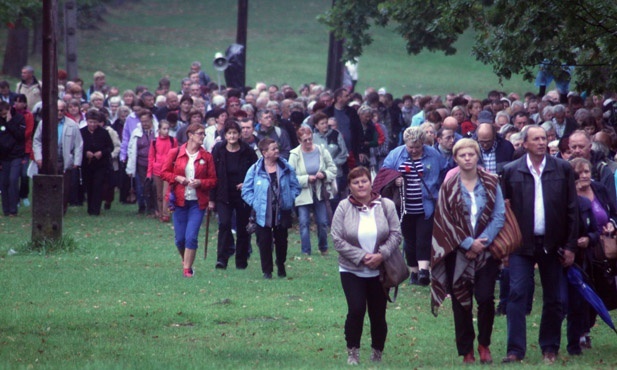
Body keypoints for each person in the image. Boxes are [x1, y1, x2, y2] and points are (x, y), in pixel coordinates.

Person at [501, 125, 578, 364]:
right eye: (536, 139)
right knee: (516, 294)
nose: (541, 143)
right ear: (524, 143)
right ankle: (515, 350)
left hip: (553, 243)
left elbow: (572, 209)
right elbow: (504, 212)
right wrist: (504, 246)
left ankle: (550, 347)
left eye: (544, 138)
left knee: (554, 298)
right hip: (521, 245)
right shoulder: (511, 171)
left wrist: (570, 246)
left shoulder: (563, 168)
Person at [431, 138, 505, 364]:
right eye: (462, 155)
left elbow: (499, 215)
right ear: (455, 158)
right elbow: (444, 219)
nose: (467, 158)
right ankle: (467, 351)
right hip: (457, 251)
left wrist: (481, 242)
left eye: (471, 154)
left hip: (486, 250)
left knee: (485, 298)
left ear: (477, 156)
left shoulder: (492, 182)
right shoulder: (448, 186)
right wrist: (466, 243)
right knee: (461, 302)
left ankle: (484, 344)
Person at [330, 166, 402, 365]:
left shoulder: (386, 205)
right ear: (350, 187)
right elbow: (336, 239)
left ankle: (377, 352)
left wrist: (381, 255)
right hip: (351, 269)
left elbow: (396, 234)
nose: (361, 185)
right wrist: (362, 257)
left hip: (380, 270)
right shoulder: (343, 207)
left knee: (378, 314)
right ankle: (352, 351)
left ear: (371, 183)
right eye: (355, 182)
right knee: (356, 309)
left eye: (364, 181)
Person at [382, 126, 446, 286]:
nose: (414, 150)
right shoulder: (396, 155)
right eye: (411, 147)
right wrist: (394, 180)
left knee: (423, 238)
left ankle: (424, 271)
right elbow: (383, 175)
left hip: (427, 206)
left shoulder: (433, 154)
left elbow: (444, 174)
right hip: (404, 207)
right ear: (405, 144)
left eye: (418, 147)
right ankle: (414, 272)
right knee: (409, 239)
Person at [569, 157, 617, 353]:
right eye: (579, 173)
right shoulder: (569, 195)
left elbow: (614, 211)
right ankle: (582, 333)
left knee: (606, 289)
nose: (584, 176)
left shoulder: (600, 189)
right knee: (585, 292)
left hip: (605, 247)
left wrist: (613, 223)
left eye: (587, 172)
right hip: (582, 252)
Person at [161, 123, 217, 277]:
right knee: (180, 240)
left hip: (197, 203)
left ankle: (187, 270)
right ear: (190, 135)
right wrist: (177, 178)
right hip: (179, 201)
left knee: (191, 237)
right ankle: (186, 261)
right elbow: (163, 172)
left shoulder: (207, 156)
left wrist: (201, 183)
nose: (202, 136)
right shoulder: (176, 152)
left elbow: (213, 180)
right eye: (200, 133)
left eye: (204, 134)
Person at [241, 138, 301, 279]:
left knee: (282, 242)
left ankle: (280, 264)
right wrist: (256, 203)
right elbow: (246, 190)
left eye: (277, 148)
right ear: (264, 153)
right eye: (273, 149)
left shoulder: (286, 167)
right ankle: (267, 271)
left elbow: (295, 186)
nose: (277, 151)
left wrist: (289, 198)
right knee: (264, 242)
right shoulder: (255, 169)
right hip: (262, 213)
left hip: (282, 211)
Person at [209, 120, 258, 269]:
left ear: (239, 134)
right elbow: (212, 174)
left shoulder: (247, 151)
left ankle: (241, 261)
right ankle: (222, 259)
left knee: (243, 228)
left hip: (242, 195)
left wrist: (247, 184)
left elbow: (256, 171)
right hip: (223, 194)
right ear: (225, 135)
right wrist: (211, 199)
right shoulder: (218, 149)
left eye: (234, 133)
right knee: (224, 224)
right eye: (229, 133)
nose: (232, 136)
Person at [288, 127, 337, 255]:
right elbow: (290, 177)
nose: (309, 142)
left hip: (320, 191)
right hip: (303, 194)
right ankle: (306, 251)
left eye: (310, 139)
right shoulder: (294, 155)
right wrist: (306, 179)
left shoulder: (322, 151)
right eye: (305, 140)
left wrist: (324, 174)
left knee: (322, 222)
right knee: (304, 223)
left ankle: (323, 247)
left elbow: (333, 169)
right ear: (299, 141)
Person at [80, 110, 113, 216]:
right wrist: (85, 152)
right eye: (90, 122)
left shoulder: (104, 132)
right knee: (89, 186)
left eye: (95, 122)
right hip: (87, 164)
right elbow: (77, 146)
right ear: (87, 121)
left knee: (98, 185)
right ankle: (90, 208)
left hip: (101, 165)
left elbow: (110, 147)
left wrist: (101, 153)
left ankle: (96, 209)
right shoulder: (82, 132)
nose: (93, 124)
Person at [126, 110, 157, 215]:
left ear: (151, 120)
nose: (145, 123)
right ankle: (142, 207)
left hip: (154, 164)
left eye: (147, 121)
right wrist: (130, 167)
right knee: (141, 186)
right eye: (142, 121)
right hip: (140, 164)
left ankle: (152, 208)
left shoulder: (157, 132)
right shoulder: (136, 132)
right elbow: (131, 150)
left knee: (153, 186)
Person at [147, 120, 177, 222]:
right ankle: (160, 213)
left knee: (166, 193)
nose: (166, 131)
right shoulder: (154, 142)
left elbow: (176, 156)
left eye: (168, 129)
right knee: (159, 194)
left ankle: (165, 214)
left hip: (168, 170)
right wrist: (149, 172)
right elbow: (151, 157)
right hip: (157, 170)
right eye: (164, 129)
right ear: (159, 130)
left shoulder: (173, 141)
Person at [0, 101, 26, 216]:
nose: (3, 117)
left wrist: (9, 122)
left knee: (13, 179)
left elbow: (20, 136)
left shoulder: (19, 119)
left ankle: (13, 209)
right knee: (4, 182)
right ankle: (6, 209)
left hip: (16, 155)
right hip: (4, 156)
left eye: (5, 114)